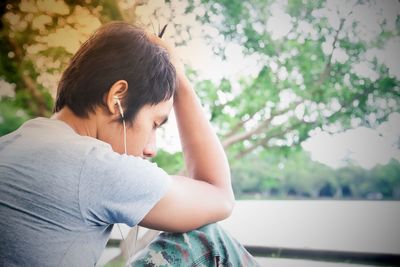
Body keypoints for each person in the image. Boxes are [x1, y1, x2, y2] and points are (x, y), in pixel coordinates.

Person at [0, 22, 260, 266]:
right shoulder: (92, 164)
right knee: (207, 241)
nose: (151, 148)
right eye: (155, 124)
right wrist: (179, 77)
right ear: (118, 99)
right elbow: (219, 195)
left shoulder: (14, 143)